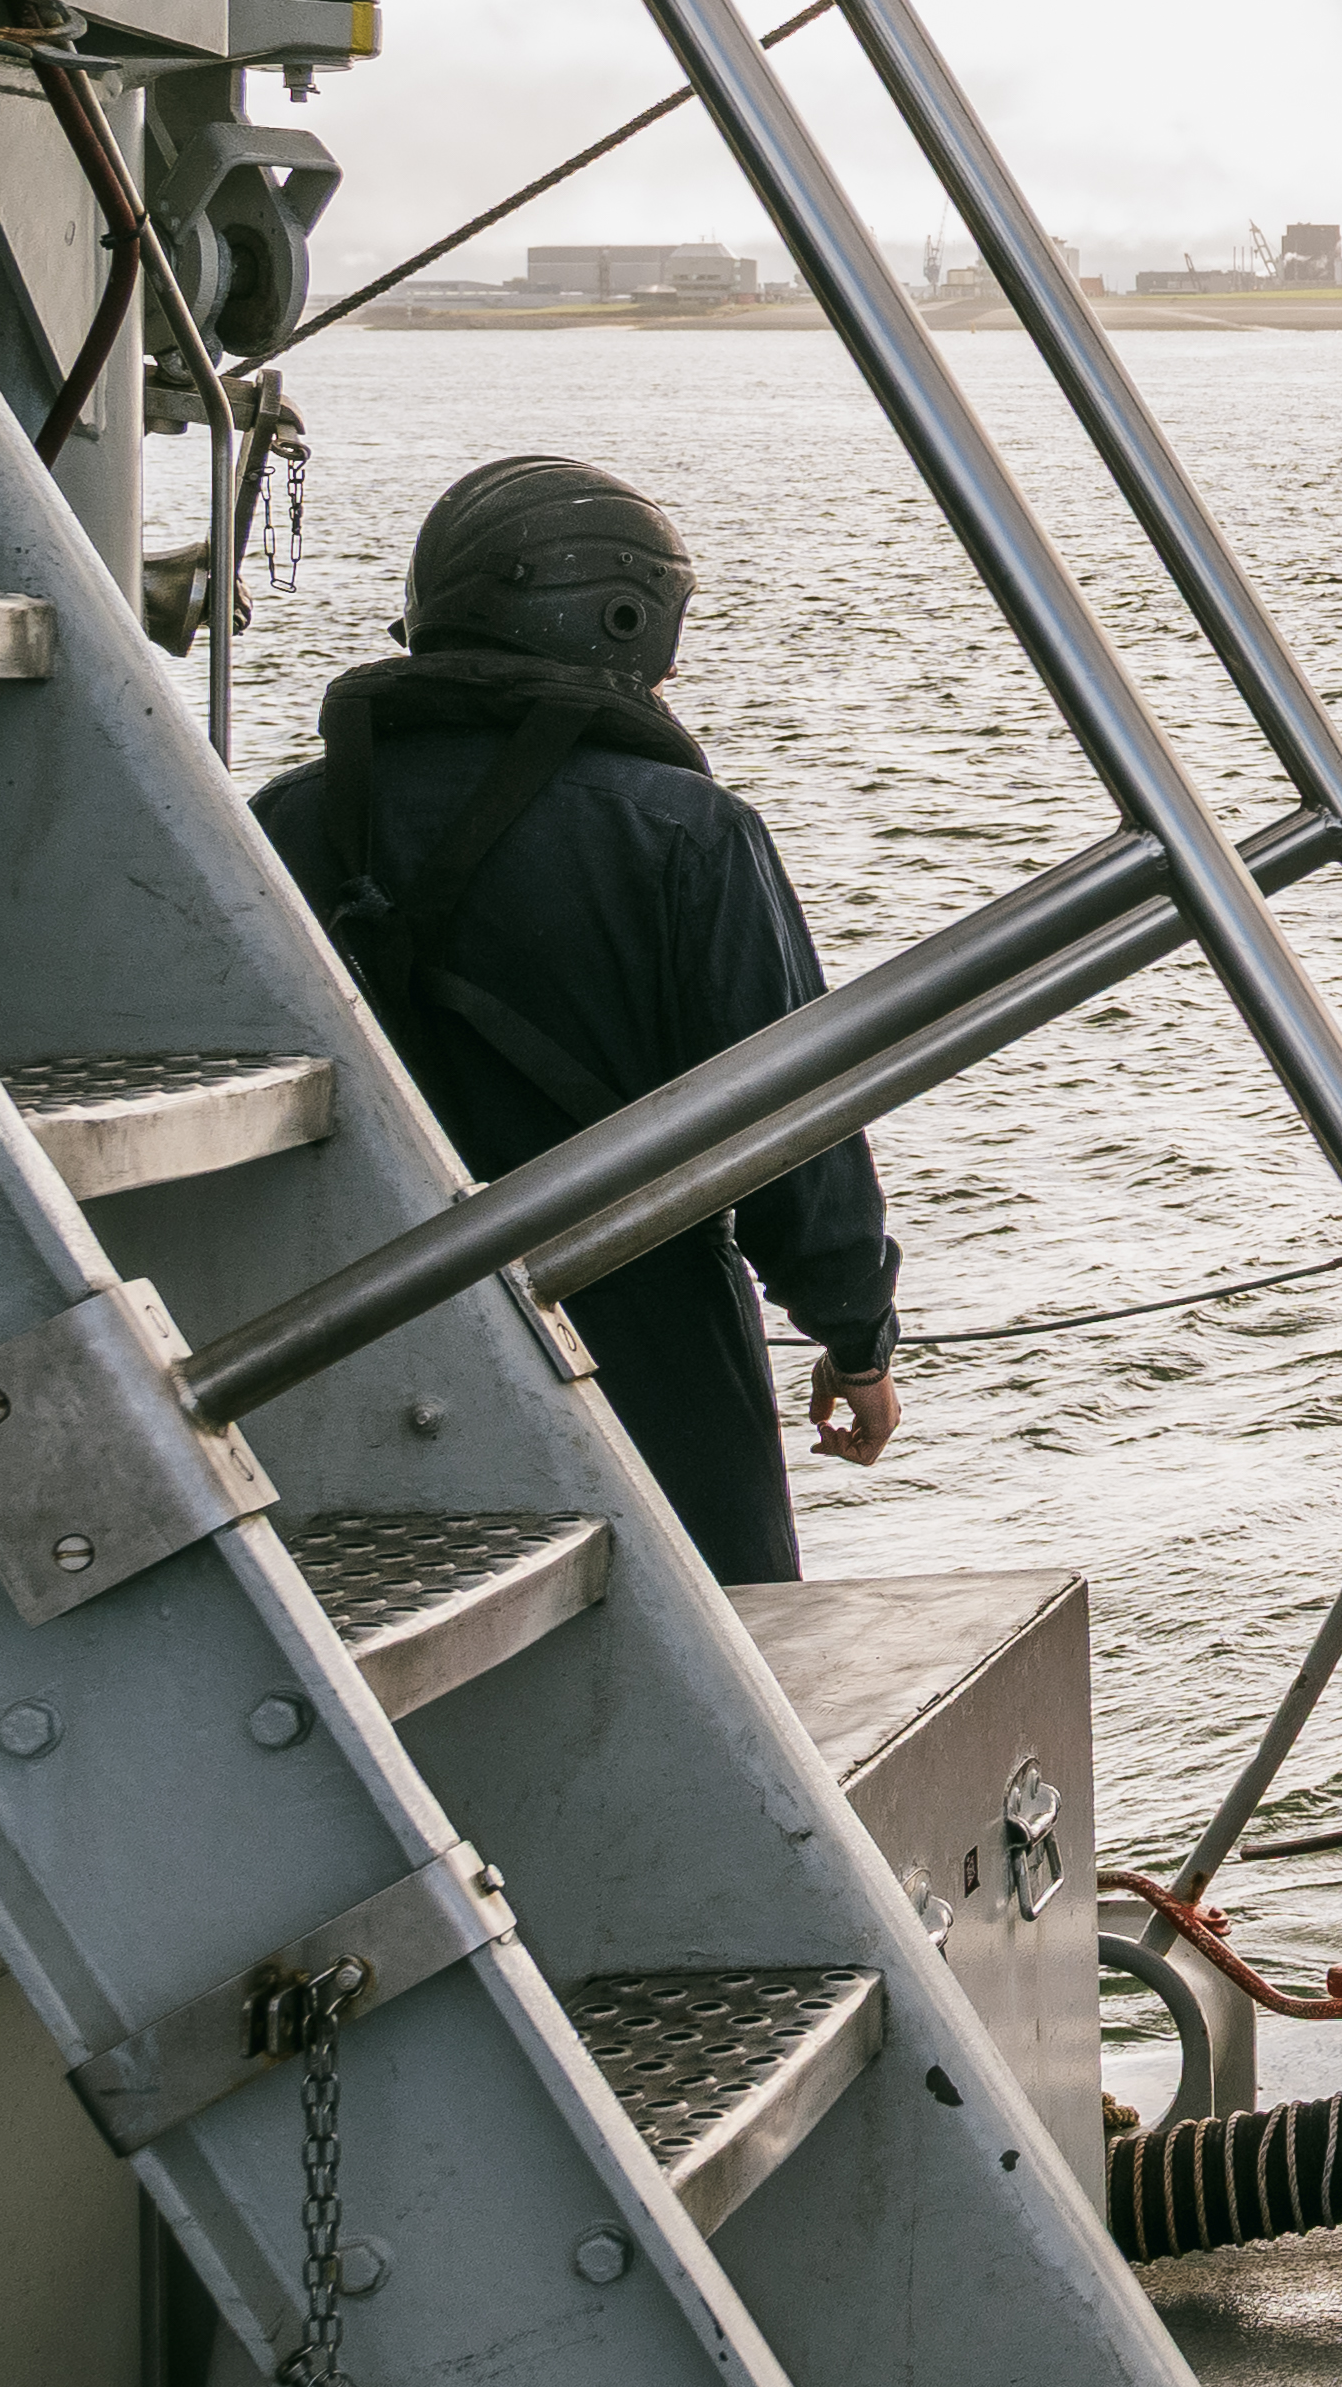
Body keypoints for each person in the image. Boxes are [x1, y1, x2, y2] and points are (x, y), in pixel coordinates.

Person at [254, 453, 901, 1587]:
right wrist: (855, 1341)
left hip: (348, 1327)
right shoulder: (689, 832)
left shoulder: (284, 822)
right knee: (708, 1634)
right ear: (626, 620)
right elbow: (791, 1127)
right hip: (636, 1333)